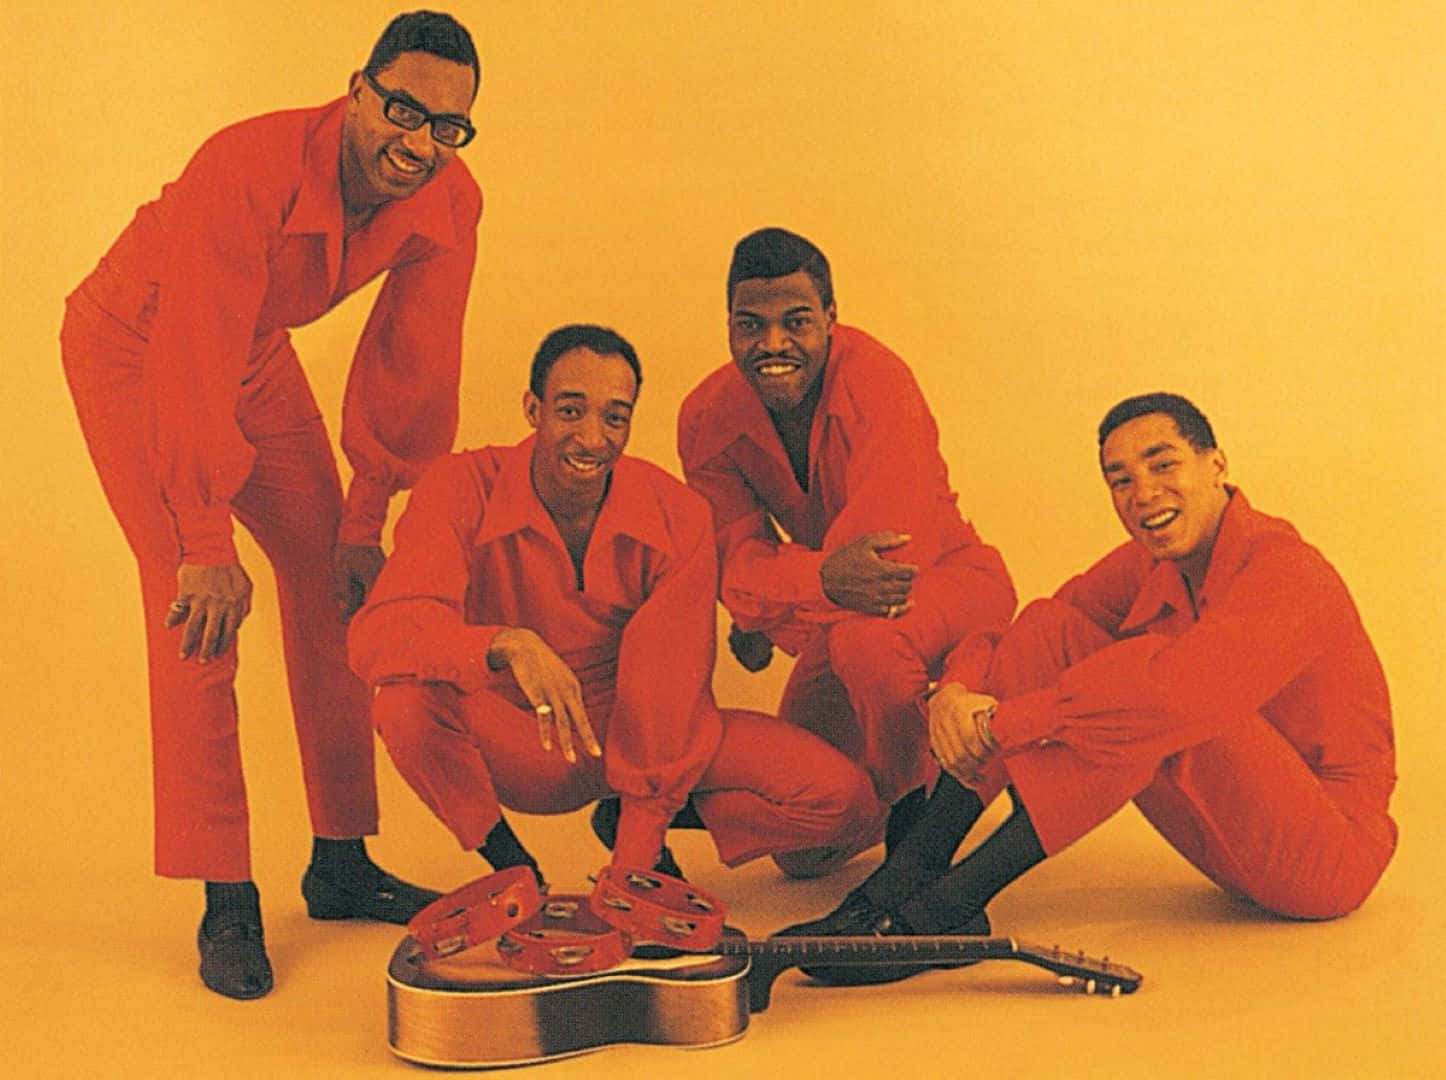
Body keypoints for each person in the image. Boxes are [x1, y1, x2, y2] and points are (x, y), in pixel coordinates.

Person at [60, 11, 484, 1000]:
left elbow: (415, 359)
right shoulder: (245, 166)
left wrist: (365, 518)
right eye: (402, 110)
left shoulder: (451, 200)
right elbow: (191, 345)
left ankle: (340, 859)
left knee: (332, 582)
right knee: (195, 605)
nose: (419, 143)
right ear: (357, 90)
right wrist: (204, 538)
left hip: (250, 352)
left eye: (447, 126)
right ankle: (226, 894)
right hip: (138, 344)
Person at [782, 392, 1398, 984]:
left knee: (1146, 682)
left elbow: (1175, 697)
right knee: (1054, 629)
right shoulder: (1153, 564)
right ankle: (906, 876)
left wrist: (1004, 724)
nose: (1143, 494)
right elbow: (1035, 629)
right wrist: (956, 691)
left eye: (1163, 465)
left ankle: (945, 907)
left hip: (1323, 857)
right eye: (1120, 480)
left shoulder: (1288, 572)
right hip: (1229, 847)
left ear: (1216, 465)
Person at [349, 325, 886, 892]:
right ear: (533, 409)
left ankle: (634, 826)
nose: (592, 438)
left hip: (655, 738)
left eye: (614, 417)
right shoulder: (460, 485)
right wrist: (506, 644)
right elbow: (379, 634)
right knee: (404, 702)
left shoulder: (678, 513)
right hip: (530, 746)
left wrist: (632, 866)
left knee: (845, 802)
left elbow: (665, 697)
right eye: (570, 411)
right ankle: (513, 871)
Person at [676, 227, 1017, 860]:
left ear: (831, 318)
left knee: (869, 642)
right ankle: (911, 804)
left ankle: (921, 832)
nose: (772, 344)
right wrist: (797, 588)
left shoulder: (879, 379)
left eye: (796, 322)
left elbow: (883, 570)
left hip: (952, 587)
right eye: (750, 325)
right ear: (728, 326)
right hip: (839, 622)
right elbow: (730, 564)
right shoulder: (704, 417)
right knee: (804, 849)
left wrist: (764, 607)